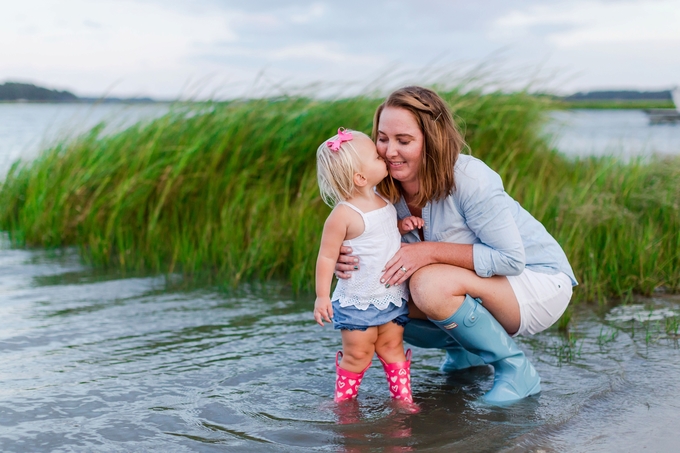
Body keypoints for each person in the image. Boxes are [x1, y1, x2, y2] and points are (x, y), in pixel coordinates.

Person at [335, 86, 577, 404]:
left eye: (403, 141)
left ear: (431, 141)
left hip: (538, 282)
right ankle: (464, 353)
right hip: (482, 284)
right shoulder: (379, 189)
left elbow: (511, 259)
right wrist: (350, 260)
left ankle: (516, 369)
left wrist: (430, 251)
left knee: (427, 283)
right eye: (382, 138)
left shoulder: (470, 179)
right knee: (364, 301)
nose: (389, 151)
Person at [314, 128, 423, 404]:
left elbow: (382, 234)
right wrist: (322, 296)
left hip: (390, 296)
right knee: (358, 354)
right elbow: (326, 257)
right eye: (376, 157)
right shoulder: (343, 215)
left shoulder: (383, 198)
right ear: (360, 177)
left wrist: (401, 226)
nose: (383, 157)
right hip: (357, 301)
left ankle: (403, 400)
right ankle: (344, 404)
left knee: (392, 346)